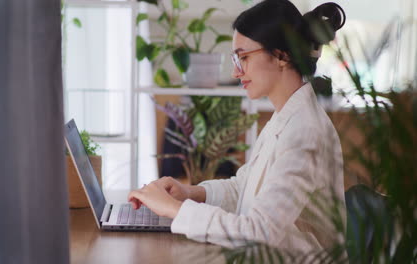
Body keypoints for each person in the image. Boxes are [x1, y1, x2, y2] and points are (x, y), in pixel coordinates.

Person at [128, 0, 347, 254]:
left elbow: (260, 231)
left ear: (281, 55)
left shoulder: (305, 131)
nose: (235, 72)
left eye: (243, 57)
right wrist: (190, 192)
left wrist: (174, 209)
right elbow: (244, 187)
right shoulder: (286, 115)